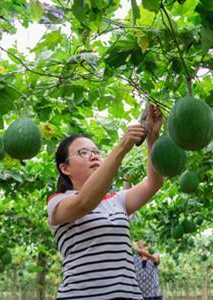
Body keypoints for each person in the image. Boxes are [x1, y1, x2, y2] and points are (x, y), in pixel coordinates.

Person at [47, 105, 163, 299]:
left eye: (96, 151)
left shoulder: (116, 200)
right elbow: (85, 202)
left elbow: (154, 183)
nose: (93, 155)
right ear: (65, 168)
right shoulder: (58, 202)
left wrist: (152, 136)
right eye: (83, 153)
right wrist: (121, 147)